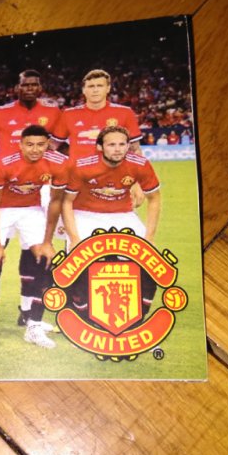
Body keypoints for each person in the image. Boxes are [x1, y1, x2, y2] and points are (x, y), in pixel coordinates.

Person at [0, 69, 62, 329]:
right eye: (25, 84)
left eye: (34, 84)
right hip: (3, 192)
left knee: (36, 255)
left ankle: (27, 313)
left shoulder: (53, 113)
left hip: (34, 196)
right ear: (17, 87)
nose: (30, 88)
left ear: (40, 87)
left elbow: (60, 143)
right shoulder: (0, 112)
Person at [0, 125, 67, 350]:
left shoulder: (58, 163)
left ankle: (33, 324)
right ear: (21, 144)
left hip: (31, 210)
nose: (35, 149)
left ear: (48, 144)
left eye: (40, 145)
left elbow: (56, 201)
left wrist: (47, 242)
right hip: (1, 210)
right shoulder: (3, 164)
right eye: (30, 144)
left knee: (45, 258)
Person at [62, 126, 161, 316]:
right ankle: (79, 310)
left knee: (150, 259)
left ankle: (138, 312)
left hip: (123, 214)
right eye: (112, 145)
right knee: (77, 261)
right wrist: (74, 238)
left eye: (122, 144)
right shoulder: (82, 166)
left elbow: (154, 198)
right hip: (86, 214)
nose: (118, 149)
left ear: (128, 146)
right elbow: (67, 201)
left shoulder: (140, 164)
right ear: (100, 147)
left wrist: (149, 237)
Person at [51, 69, 142, 160]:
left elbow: (135, 149)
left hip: (112, 168)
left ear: (108, 88)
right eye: (91, 86)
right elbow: (53, 145)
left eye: (100, 86)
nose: (95, 90)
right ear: (83, 90)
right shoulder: (69, 114)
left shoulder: (125, 112)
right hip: (79, 168)